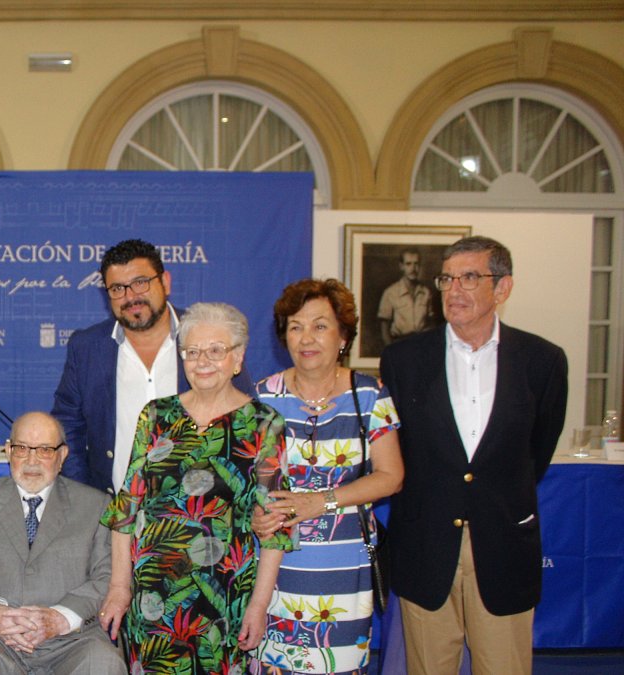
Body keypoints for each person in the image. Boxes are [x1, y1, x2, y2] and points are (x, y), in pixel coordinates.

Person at [380, 236, 567, 675]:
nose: (454, 290)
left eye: (469, 278)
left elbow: (537, 452)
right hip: (426, 548)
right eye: (447, 279)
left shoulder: (542, 361)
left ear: (502, 288)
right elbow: (398, 451)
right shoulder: (403, 360)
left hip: (503, 546)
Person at [97, 302, 293, 673]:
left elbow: (275, 528)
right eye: (192, 351)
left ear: (238, 358)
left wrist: (258, 605)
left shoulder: (264, 424)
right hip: (153, 597)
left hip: (222, 598)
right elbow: (126, 510)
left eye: (216, 350)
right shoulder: (156, 416)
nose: (202, 361)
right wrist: (120, 587)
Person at [251, 278, 405, 674]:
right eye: (296, 326)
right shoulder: (263, 397)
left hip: (345, 568)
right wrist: (254, 514)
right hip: (277, 569)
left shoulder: (369, 394)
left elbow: (391, 476)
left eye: (320, 326)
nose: (307, 338)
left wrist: (321, 501)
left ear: (343, 336)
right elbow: (248, 484)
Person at [0, 411, 126, 675]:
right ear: (9, 451)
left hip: (73, 640)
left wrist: (61, 618)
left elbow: (107, 577)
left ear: (62, 455)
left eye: (44, 450)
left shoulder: (95, 505)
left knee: (103, 663)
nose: (32, 461)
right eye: (22, 448)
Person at [52, 239, 255, 493]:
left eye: (140, 283)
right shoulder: (87, 348)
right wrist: (87, 497)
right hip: (114, 509)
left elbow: (243, 416)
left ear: (165, 282)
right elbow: (67, 426)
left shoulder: (206, 337)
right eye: (117, 288)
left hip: (200, 508)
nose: (130, 297)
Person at [378, 248, 434, 347]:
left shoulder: (426, 292)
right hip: (399, 343)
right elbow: (384, 328)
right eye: (408, 264)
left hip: (422, 344)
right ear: (401, 266)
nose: (413, 269)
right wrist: (391, 350)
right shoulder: (390, 293)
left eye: (416, 264)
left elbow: (430, 323)